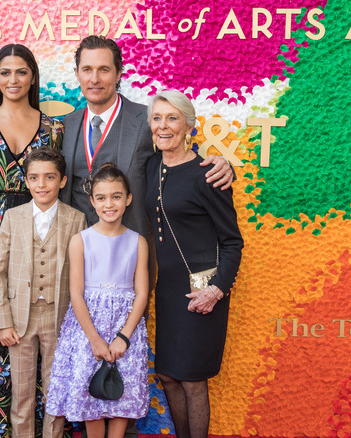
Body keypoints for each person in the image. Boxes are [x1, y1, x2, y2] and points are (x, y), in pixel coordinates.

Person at [0, 44, 64, 437]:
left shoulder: (54, 129)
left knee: (36, 322)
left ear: (33, 77)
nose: (13, 80)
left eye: (21, 72)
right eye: (5, 73)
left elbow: (56, 184)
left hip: (39, 234)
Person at [60, 35, 234, 237]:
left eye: (104, 69)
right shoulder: (67, 125)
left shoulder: (148, 119)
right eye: (87, 69)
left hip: (134, 248)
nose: (95, 79)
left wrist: (222, 165)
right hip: (78, 248)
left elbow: (180, 161)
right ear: (77, 74)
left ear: (118, 75)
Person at [144, 90, 244, 438]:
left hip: (204, 289)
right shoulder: (152, 165)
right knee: (169, 376)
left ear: (189, 125)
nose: (163, 126)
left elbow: (232, 242)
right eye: (157, 118)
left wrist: (216, 291)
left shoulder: (208, 174)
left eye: (172, 118)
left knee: (192, 380)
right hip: (169, 290)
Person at [46, 163, 150, 438]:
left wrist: (123, 338)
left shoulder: (138, 242)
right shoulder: (80, 241)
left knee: (121, 400)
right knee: (91, 397)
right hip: (87, 331)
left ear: (128, 199)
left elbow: (142, 293)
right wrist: (95, 339)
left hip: (125, 330)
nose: (109, 204)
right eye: (101, 198)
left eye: (116, 196)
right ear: (92, 201)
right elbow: (76, 294)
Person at [0, 147, 87, 438]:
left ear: (62, 181)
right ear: (26, 181)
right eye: (34, 177)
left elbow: (81, 275)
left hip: (58, 317)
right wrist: (3, 321)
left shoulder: (76, 219)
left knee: (55, 392)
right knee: (21, 394)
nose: (41, 184)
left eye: (49, 177)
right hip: (20, 319)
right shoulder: (12, 217)